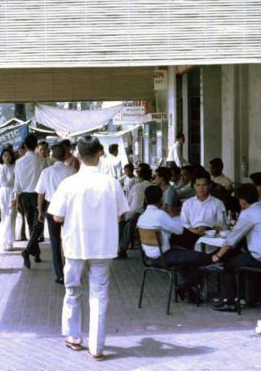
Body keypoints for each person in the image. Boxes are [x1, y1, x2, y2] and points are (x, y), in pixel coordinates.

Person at [48, 135, 129, 360]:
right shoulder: (111, 183)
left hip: (75, 245)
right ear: (100, 153)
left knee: (73, 290)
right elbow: (122, 215)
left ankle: (73, 336)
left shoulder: (69, 183)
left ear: (77, 155)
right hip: (103, 247)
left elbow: (56, 216)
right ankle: (97, 346)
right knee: (99, 295)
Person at [211, 184, 261, 312]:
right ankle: (247, 296)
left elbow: (232, 238)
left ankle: (230, 301)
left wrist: (218, 256)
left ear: (242, 201)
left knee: (228, 264)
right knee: (239, 256)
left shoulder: (248, 213)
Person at [137, 185, 211, 302]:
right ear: (161, 199)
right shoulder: (160, 215)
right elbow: (179, 230)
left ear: (145, 200)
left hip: (149, 258)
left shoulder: (142, 217)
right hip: (164, 257)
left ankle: (189, 292)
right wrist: (172, 216)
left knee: (185, 258)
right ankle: (183, 287)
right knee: (204, 258)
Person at [35, 143, 75, 284]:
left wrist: (40, 210)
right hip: (68, 207)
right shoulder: (71, 171)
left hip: (51, 207)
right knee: (69, 239)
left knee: (54, 241)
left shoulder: (46, 172)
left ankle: (59, 275)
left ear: (52, 156)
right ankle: (71, 271)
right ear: (65, 155)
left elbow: (40, 193)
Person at [170, 170, 225, 250]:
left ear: (209, 186)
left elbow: (222, 223)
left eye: (204, 185)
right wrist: (195, 231)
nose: (201, 189)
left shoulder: (218, 203)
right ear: (194, 186)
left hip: (210, 233)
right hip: (191, 233)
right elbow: (183, 223)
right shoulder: (188, 203)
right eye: (198, 185)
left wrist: (207, 228)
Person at [16, 134, 46, 269]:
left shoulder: (19, 162)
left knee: (31, 224)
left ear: (26, 146)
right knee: (38, 224)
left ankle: (36, 253)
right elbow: (43, 180)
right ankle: (27, 251)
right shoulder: (40, 160)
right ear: (35, 146)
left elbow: (17, 183)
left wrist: (17, 199)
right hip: (37, 195)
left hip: (24, 196)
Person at [118, 164, 153, 258]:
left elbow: (128, 202)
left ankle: (120, 248)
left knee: (124, 222)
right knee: (127, 221)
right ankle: (121, 248)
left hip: (136, 214)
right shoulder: (153, 187)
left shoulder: (137, 187)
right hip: (145, 214)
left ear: (139, 176)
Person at [0, 147, 17, 251]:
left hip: (12, 192)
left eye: (8, 155)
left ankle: (10, 241)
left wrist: (17, 196)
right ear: (1, 157)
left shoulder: (15, 166)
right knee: (3, 216)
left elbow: (17, 182)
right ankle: (4, 240)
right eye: (4, 155)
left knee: (11, 216)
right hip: (2, 193)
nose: (6, 158)